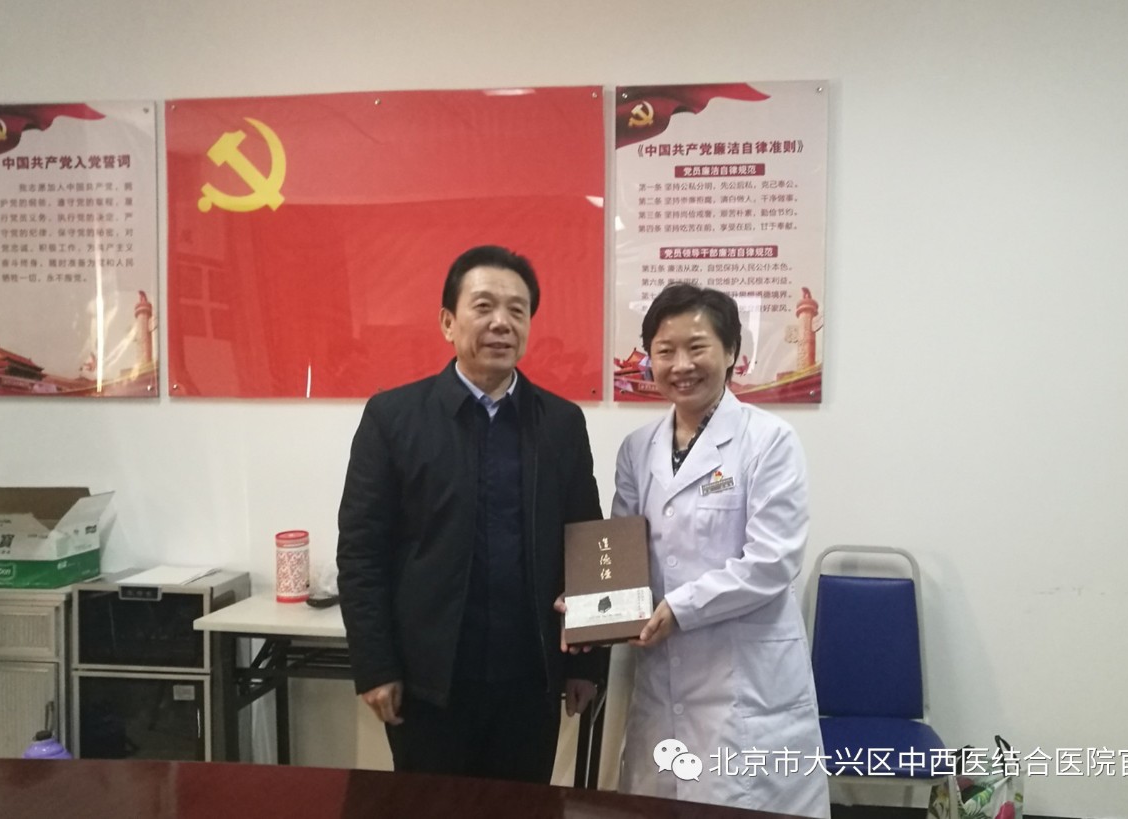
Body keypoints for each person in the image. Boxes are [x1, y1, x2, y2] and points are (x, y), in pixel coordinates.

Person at [337, 245, 606, 784]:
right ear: (448, 322)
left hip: (529, 682)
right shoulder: (393, 417)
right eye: (483, 306)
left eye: (517, 310)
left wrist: (585, 664)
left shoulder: (560, 423)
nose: (501, 323)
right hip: (428, 685)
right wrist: (375, 665)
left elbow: (588, 542)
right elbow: (361, 552)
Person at [612, 283, 830, 816]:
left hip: (744, 682)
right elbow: (621, 550)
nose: (681, 365)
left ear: (731, 351)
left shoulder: (769, 440)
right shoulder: (637, 449)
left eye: (697, 347)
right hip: (663, 676)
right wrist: (594, 605)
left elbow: (772, 562)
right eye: (665, 350)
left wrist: (679, 608)